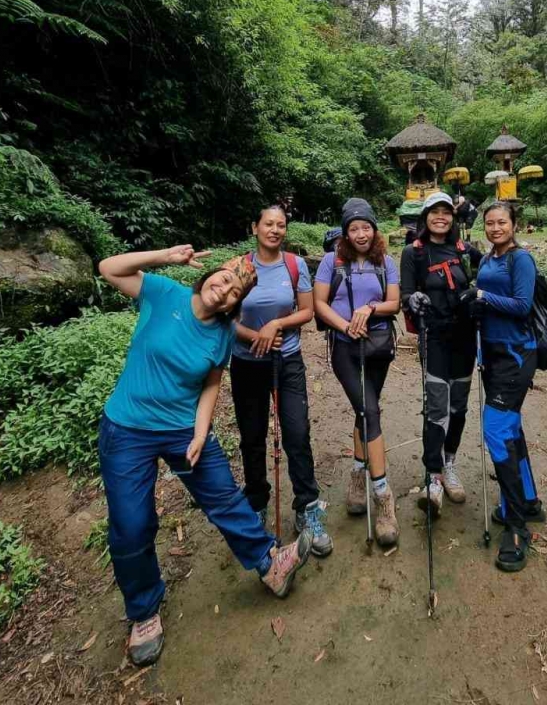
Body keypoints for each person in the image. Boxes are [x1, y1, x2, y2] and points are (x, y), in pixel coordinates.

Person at [98, 246, 313, 668]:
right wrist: (165, 257)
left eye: (235, 292)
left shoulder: (222, 333)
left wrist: (200, 433)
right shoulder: (163, 293)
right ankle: (143, 613)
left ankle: (270, 563)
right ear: (209, 274)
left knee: (224, 497)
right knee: (131, 523)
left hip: (182, 428)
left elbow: (211, 384)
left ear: (237, 304)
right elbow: (108, 268)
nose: (224, 291)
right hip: (127, 428)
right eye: (223, 279)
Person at [230, 206, 333, 557]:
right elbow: (223, 316)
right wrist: (252, 335)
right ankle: (257, 501)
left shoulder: (295, 264)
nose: (275, 230)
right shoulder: (239, 267)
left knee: (297, 432)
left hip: (287, 360)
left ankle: (306, 508)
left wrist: (277, 325)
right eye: (268, 224)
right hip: (247, 363)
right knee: (252, 436)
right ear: (255, 227)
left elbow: (307, 311)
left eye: (281, 225)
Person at [313, 198, 401, 546]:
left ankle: (357, 470)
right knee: (369, 410)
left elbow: (394, 302)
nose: (361, 234)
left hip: (379, 346)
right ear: (345, 233)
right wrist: (346, 325)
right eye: (354, 228)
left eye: (366, 227)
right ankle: (382, 495)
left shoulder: (386, 262)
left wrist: (369, 308)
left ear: (374, 229)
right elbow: (319, 303)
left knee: (363, 411)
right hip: (345, 348)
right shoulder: (329, 262)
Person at [472, 201, 543, 573]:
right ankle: (528, 500)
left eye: (502, 222)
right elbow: (488, 308)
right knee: (511, 428)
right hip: (494, 356)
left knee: (496, 430)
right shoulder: (487, 260)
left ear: (515, 224)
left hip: (517, 354)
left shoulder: (521, 260)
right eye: (490, 222)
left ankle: (516, 526)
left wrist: (483, 297)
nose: (496, 227)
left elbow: (521, 305)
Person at [400, 191, 482, 517]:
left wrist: (479, 296)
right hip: (433, 337)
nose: (440, 217)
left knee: (458, 407)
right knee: (436, 408)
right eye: (434, 212)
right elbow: (405, 293)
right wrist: (413, 299)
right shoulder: (414, 253)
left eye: (446, 212)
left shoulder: (464, 251)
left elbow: (490, 268)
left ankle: (450, 463)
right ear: (425, 217)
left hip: (464, 337)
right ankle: (432, 477)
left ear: (453, 218)